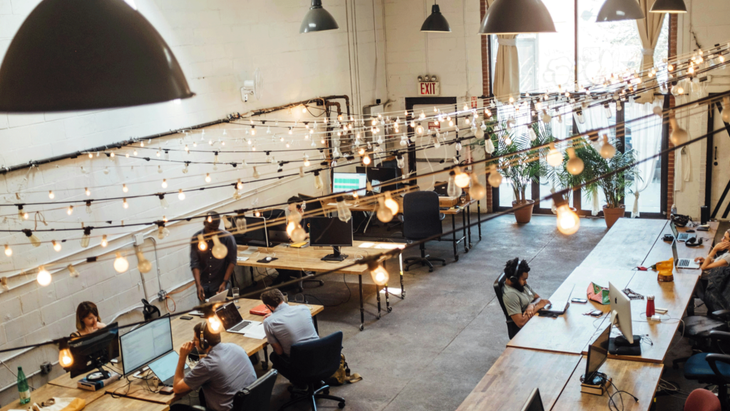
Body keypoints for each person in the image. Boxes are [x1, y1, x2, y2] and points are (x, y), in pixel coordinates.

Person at [172, 321, 256, 411]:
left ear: (203, 342)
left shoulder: (208, 365)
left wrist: (182, 356)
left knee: (175, 408)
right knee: (202, 392)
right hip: (250, 405)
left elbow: (177, 388)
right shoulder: (235, 347)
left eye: (195, 340)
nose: (194, 343)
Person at [260, 289, 319, 378]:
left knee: (274, 357)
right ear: (282, 298)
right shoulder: (304, 308)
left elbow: (279, 352)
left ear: (269, 306)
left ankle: (300, 382)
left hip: (299, 360)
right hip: (318, 353)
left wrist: (273, 317)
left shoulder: (269, 322)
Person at [190, 211, 238, 301]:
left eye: (215, 229)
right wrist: (198, 285)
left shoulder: (227, 238)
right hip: (204, 284)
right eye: (210, 228)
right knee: (207, 312)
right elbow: (194, 263)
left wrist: (224, 282)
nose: (212, 232)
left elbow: (232, 261)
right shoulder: (196, 238)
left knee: (223, 309)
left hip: (220, 283)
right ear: (205, 223)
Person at [501, 258, 550, 329]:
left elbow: (538, 298)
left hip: (535, 319)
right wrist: (537, 306)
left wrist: (531, 305)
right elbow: (521, 323)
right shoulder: (510, 295)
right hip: (528, 328)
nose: (526, 282)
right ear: (513, 279)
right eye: (524, 279)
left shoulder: (519, 285)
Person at [272, 196, 310, 287]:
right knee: (275, 258)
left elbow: (315, 234)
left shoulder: (308, 219)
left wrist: (303, 235)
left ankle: (276, 284)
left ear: (300, 209)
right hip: (292, 245)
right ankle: (287, 276)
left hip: (305, 247)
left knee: (287, 261)